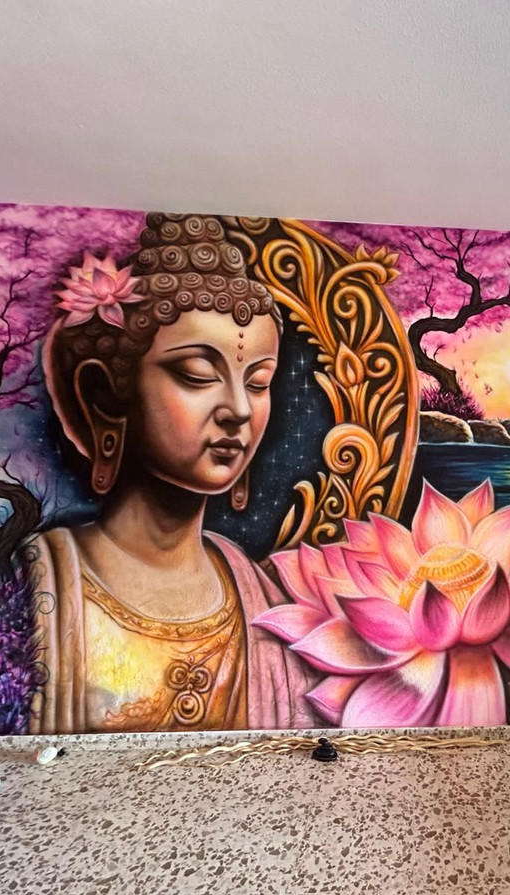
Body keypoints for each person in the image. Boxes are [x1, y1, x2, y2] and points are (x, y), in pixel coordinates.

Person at [26, 213, 317, 733]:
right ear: (103, 396)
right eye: (197, 375)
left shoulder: (263, 596)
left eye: (258, 382)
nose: (238, 410)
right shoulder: (42, 581)